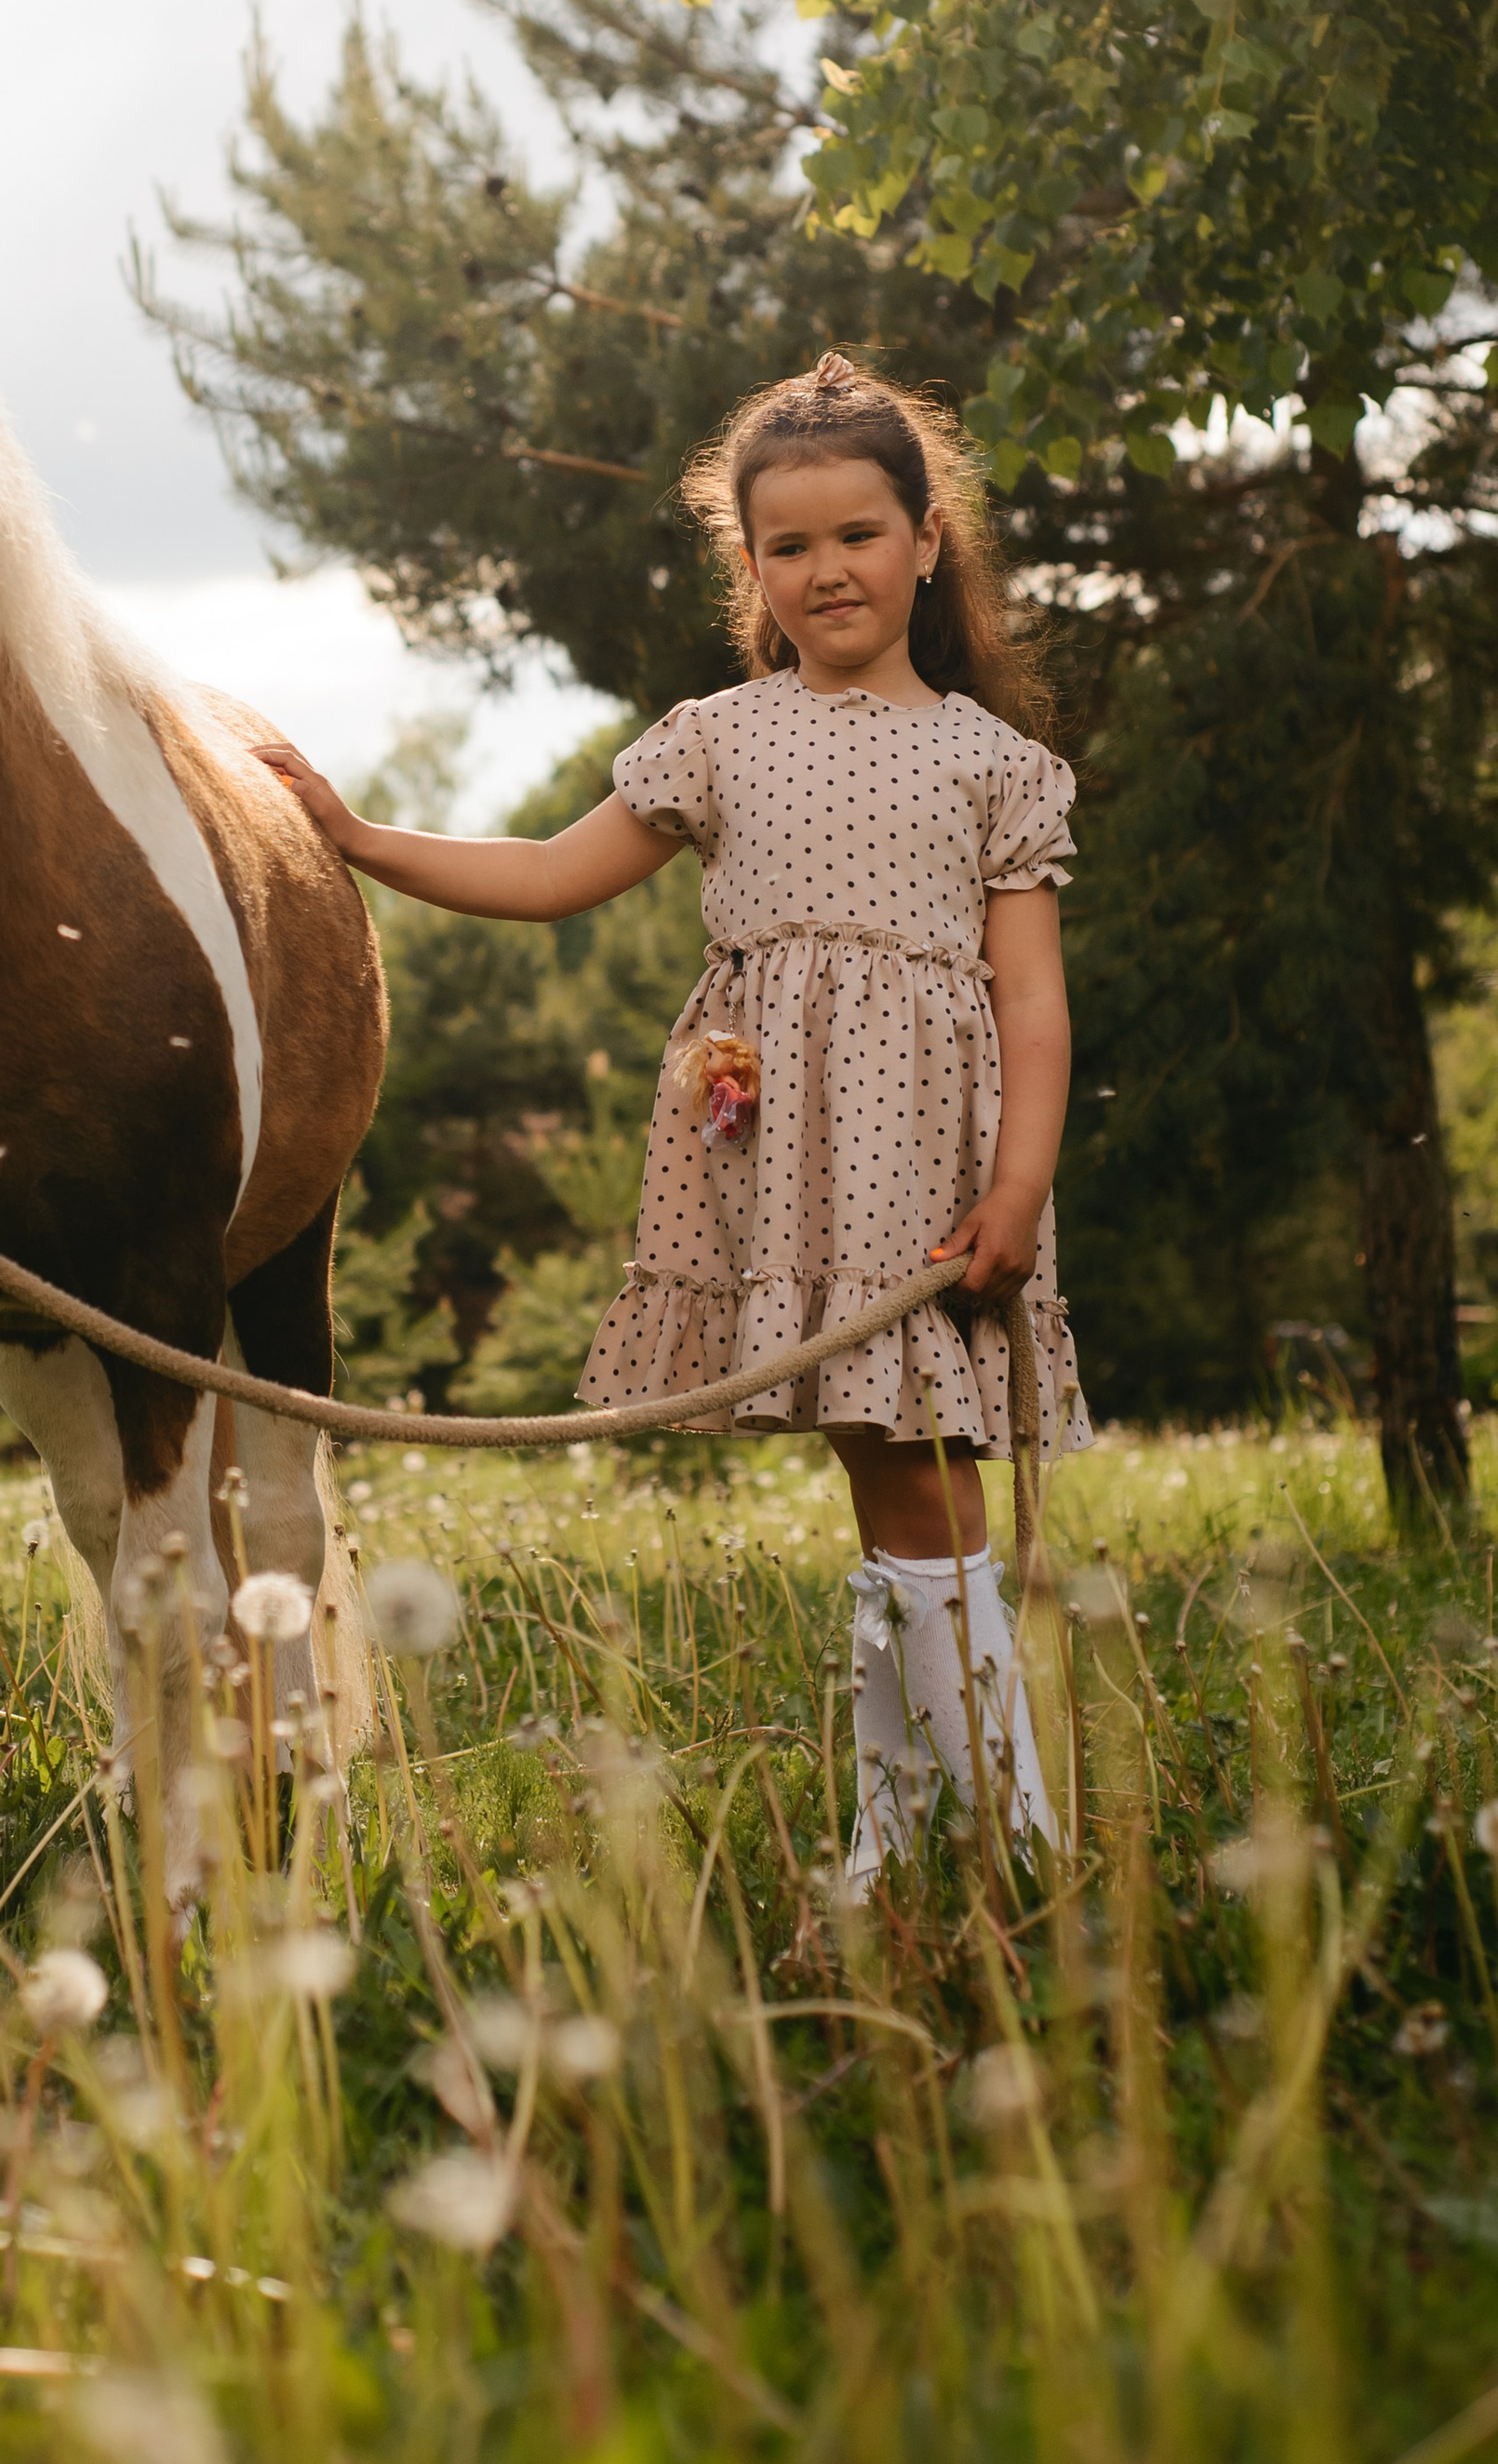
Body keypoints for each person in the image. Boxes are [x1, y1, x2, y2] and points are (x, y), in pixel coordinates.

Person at [255, 353, 1086, 1883]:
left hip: (927, 1173)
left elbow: (1031, 1004)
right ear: (753, 568)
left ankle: (1001, 1836)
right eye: (789, 546)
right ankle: (919, 1832)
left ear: (925, 542)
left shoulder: (996, 766)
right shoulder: (719, 733)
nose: (826, 569)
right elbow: (553, 874)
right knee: (877, 1463)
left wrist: (1018, 1190)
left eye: (856, 535)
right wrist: (357, 836)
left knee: (926, 1467)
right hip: (785, 1161)